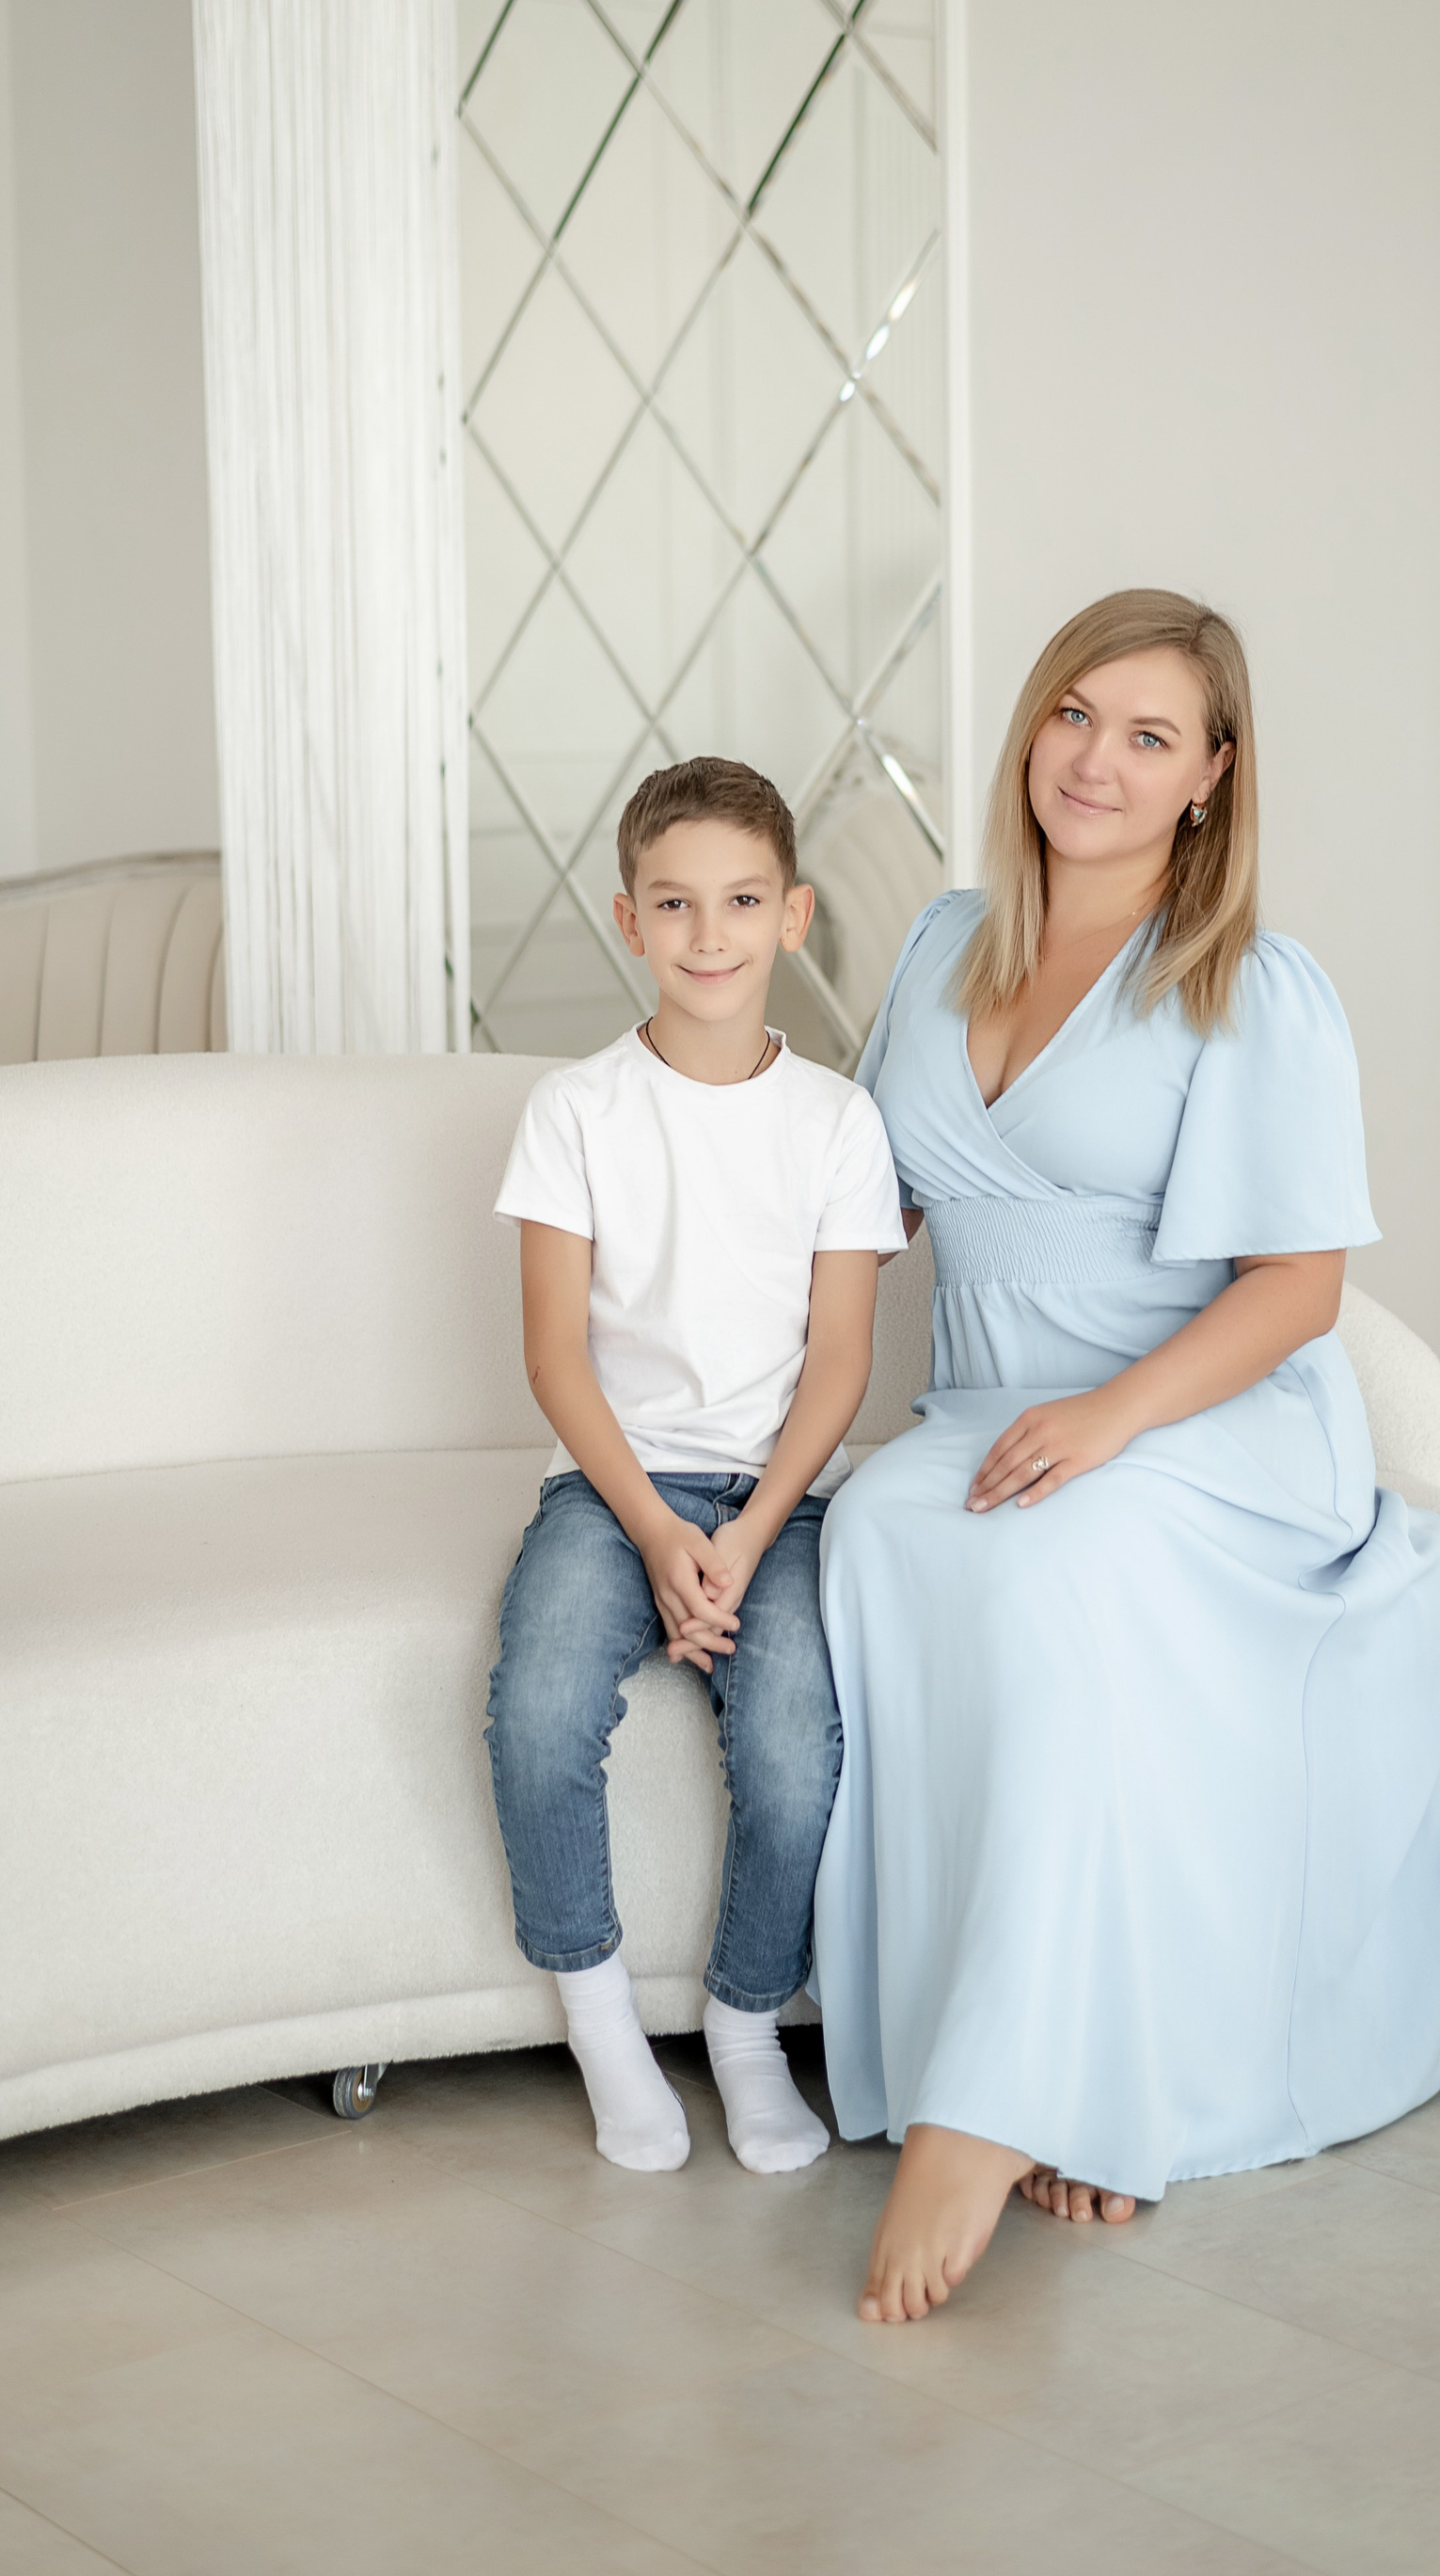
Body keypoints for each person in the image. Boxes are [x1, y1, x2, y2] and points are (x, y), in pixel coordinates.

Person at [813, 590, 1440, 2320]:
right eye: (1073, 713)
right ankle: (1069, 2055)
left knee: (1069, 1555)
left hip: (1202, 1420)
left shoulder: (1251, 983)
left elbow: (1298, 1289)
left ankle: (999, 2102)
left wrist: (1112, 1419)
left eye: (1148, 734)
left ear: (1212, 774)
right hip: (987, 1412)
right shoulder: (941, 944)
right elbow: (865, 1203)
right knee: (879, 1528)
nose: (1094, 760)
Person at [487, 756, 906, 2176]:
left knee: (794, 1753)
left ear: (793, 915)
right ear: (629, 918)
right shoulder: (575, 1110)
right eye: (673, 904)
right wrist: (660, 1535)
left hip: (779, 1498)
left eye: (739, 901)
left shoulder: (839, 1122)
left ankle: (744, 2029)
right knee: (539, 1712)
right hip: (613, 1487)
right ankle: (603, 2027)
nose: (707, 934)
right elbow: (556, 1358)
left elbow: (839, 1362)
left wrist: (745, 1534)